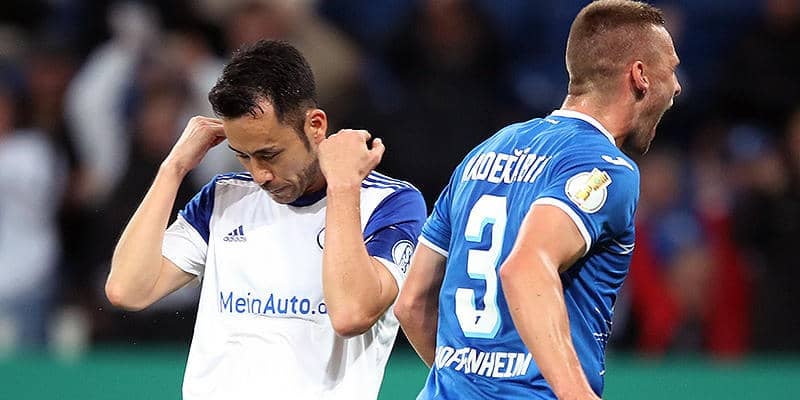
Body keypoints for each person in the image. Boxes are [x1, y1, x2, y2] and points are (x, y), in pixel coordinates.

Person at [105, 40, 427, 399]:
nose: (259, 175)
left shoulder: (390, 203)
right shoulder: (225, 197)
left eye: (269, 154)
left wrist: (343, 184)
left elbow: (352, 313)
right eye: (242, 156)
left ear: (315, 125)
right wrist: (173, 167)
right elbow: (128, 289)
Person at [394, 1, 682, 399]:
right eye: (671, 69)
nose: (676, 87)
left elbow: (411, 302)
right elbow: (526, 267)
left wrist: (473, 386)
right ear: (640, 76)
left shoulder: (486, 152)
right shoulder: (606, 168)